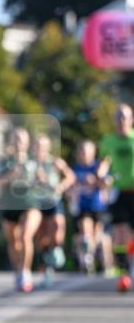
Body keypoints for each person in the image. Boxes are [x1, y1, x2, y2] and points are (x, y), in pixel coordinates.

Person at [0, 127, 38, 292]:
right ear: (11, 142)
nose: (19, 142)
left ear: (27, 143)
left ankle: (26, 272)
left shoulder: (34, 161)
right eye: (16, 139)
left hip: (30, 203)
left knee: (26, 236)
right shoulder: (4, 162)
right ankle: (18, 271)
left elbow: (48, 181)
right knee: (13, 241)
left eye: (22, 139)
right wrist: (10, 176)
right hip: (10, 205)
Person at [29, 134, 75, 286]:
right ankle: (46, 271)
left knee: (57, 230)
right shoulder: (30, 163)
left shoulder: (55, 162)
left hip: (53, 201)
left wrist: (60, 186)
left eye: (42, 146)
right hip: (37, 202)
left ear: (48, 148)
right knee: (42, 238)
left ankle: (57, 250)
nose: (39, 149)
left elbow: (71, 176)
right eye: (37, 146)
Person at [99, 103, 134, 292]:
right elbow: (105, 162)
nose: (121, 120)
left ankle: (131, 263)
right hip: (119, 193)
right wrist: (102, 175)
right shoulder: (108, 141)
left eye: (125, 117)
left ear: (131, 119)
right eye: (118, 117)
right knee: (120, 233)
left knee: (131, 236)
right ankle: (124, 272)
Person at [69, 140, 112, 274]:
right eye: (82, 151)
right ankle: (87, 261)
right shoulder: (75, 168)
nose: (84, 154)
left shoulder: (99, 166)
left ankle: (106, 264)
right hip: (83, 207)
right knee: (85, 232)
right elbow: (69, 186)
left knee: (99, 236)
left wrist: (98, 179)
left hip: (98, 207)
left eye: (87, 152)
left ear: (93, 153)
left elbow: (107, 184)